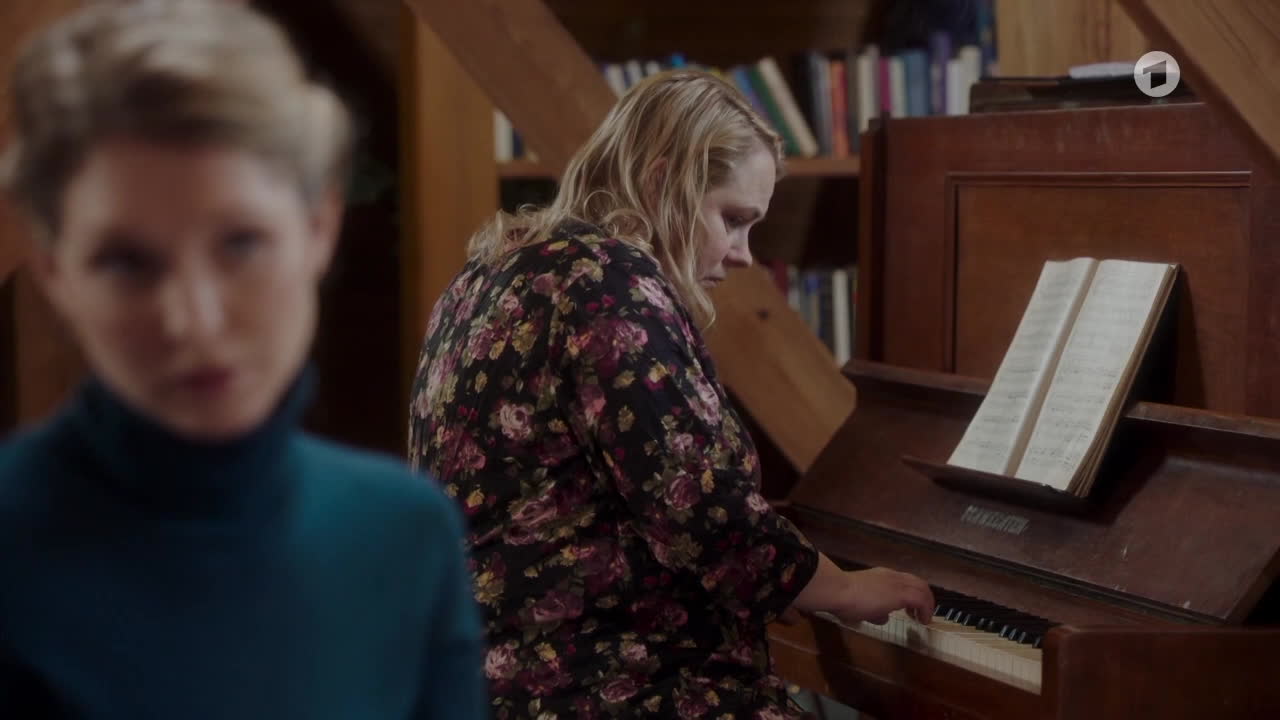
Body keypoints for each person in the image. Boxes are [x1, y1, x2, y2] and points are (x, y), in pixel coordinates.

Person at [0, 2, 485, 717]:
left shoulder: (407, 539)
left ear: (319, 228)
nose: (194, 320)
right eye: (127, 262)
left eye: (241, 245)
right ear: (55, 273)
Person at [408, 70, 934, 719]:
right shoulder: (609, 283)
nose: (743, 255)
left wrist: (780, 585)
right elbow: (699, 507)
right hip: (606, 688)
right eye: (733, 219)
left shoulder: (487, 275)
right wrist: (842, 589)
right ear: (661, 183)